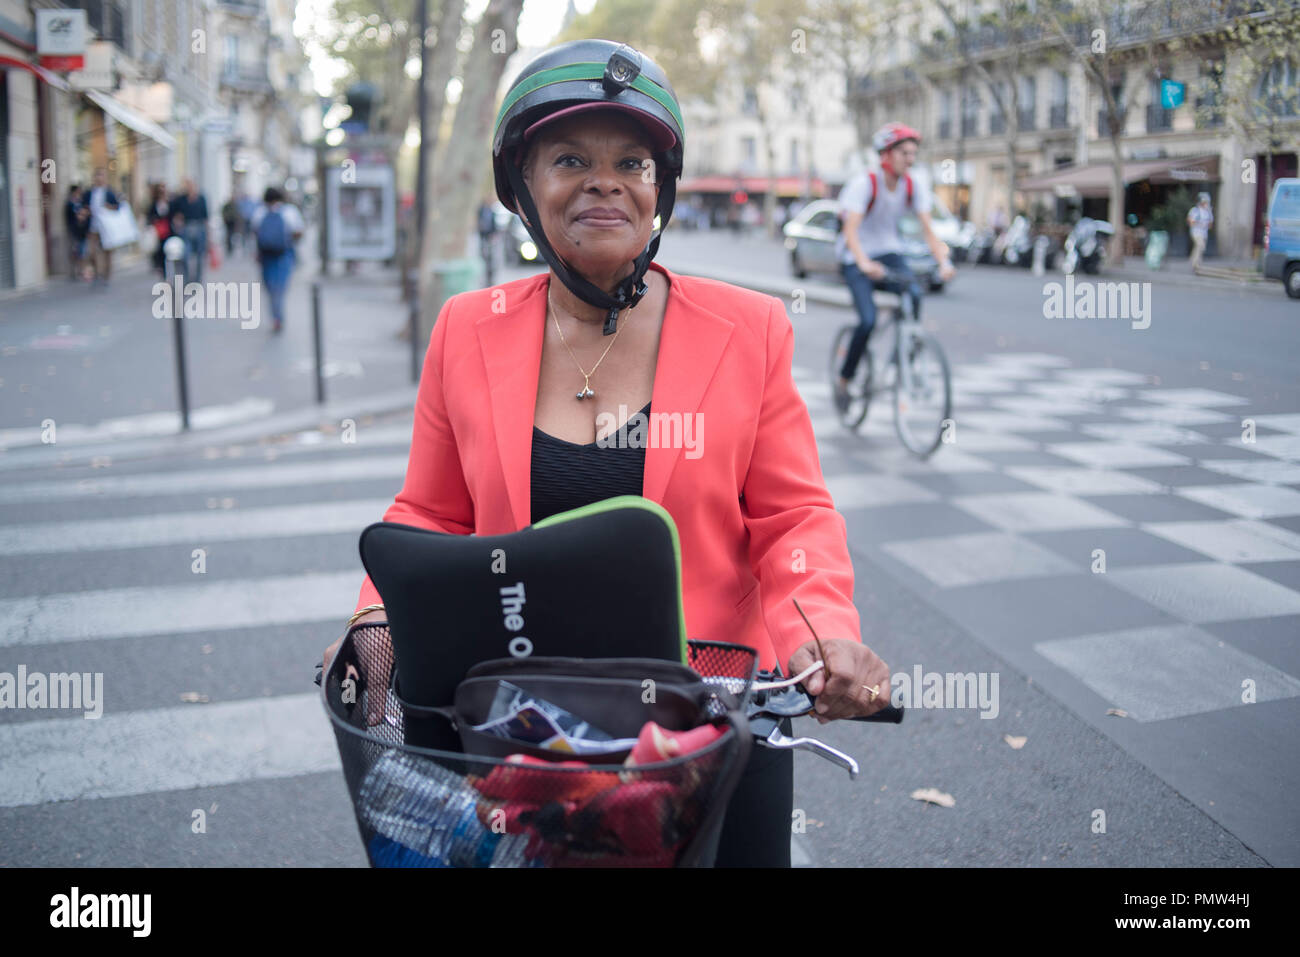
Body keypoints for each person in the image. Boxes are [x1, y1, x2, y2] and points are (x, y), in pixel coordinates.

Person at [319, 39, 890, 869]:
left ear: (659, 187)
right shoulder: (465, 330)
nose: (605, 180)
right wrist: (377, 610)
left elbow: (791, 513)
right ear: (521, 187)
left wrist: (821, 631)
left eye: (632, 159)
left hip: (708, 736)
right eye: (569, 158)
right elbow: (431, 512)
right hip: (525, 736)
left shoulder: (750, 329)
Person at [833, 122, 955, 411]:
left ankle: (904, 355)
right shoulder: (865, 184)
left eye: (913, 154)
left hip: (889, 252)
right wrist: (864, 262)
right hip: (856, 256)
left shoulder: (914, 185)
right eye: (903, 153)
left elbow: (928, 229)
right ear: (886, 155)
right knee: (867, 321)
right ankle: (845, 380)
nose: (910, 159)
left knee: (914, 292)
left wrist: (944, 261)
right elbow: (850, 231)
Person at [250, 187, 305, 334]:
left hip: (266, 256)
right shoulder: (289, 211)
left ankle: (275, 316)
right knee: (280, 288)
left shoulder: (260, 212)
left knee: (270, 287)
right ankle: (278, 317)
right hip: (284, 254)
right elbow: (299, 231)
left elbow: (255, 232)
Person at [170, 178, 210, 283]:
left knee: (200, 257)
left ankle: (198, 280)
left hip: (199, 227)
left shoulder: (201, 198)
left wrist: (209, 234)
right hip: (186, 228)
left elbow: (206, 217)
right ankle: (187, 279)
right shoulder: (181, 199)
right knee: (185, 255)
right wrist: (178, 223)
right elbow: (174, 212)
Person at [85, 168, 120, 288]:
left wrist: (109, 207)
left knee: (107, 252)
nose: (99, 178)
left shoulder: (109, 192)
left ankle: (106, 276)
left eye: (102, 176)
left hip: (107, 227)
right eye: (97, 176)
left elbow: (117, 208)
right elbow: (85, 207)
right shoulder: (90, 193)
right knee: (92, 251)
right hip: (94, 226)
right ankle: (97, 274)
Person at [145, 183, 172, 278]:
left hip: (169, 232)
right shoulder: (154, 204)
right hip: (158, 233)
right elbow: (149, 217)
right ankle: (165, 275)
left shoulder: (170, 202)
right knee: (160, 254)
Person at [63, 185, 90, 281]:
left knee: (83, 252)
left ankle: (81, 271)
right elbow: (68, 219)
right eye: (77, 191)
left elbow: (86, 213)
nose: (79, 193)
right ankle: (74, 271)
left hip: (82, 231)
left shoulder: (81, 202)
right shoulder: (69, 204)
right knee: (75, 251)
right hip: (74, 231)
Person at [1187, 191, 1213, 273]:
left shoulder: (1208, 212)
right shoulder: (1195, 210)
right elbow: (1190, 221)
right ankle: (1195, 264)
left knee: (1199, 248)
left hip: (1204, 233)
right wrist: (1199, 223)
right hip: (1196, 232)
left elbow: (1210, 224)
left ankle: (1195, 261)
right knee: (1200, 246)